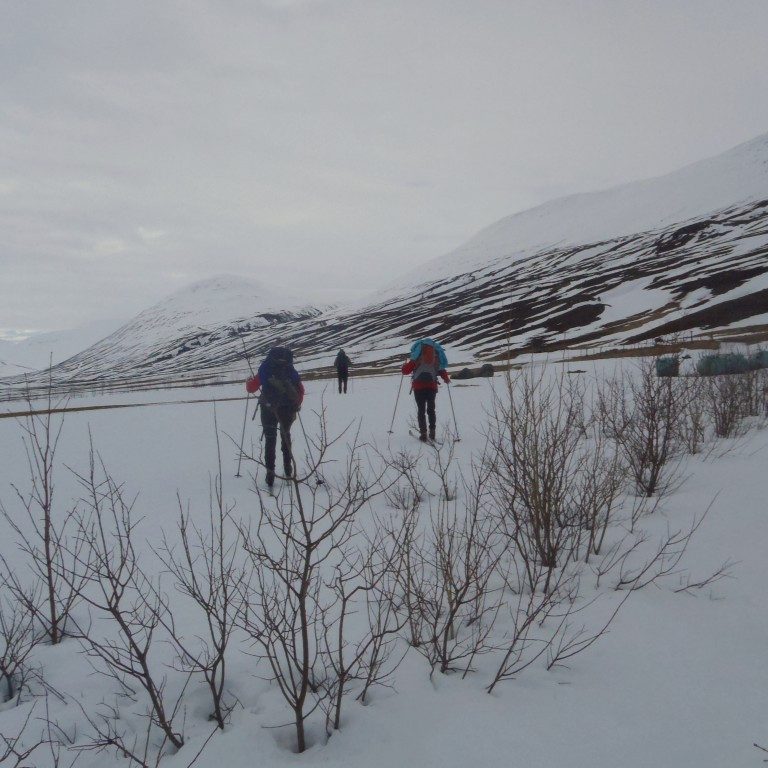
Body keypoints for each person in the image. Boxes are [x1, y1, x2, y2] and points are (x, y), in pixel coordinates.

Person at [246, 346, 304, 487]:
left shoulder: (266, 368)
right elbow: (300, 390)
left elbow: (251, 388)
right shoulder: (290, 369)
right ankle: (288, 469)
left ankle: (270, 474)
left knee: (270, 439)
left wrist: (248, 382)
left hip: (268, 408)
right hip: (287, 409)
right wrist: (296, 406)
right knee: (286, 435)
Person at [401, 338, 450, 441]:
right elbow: (441, 369)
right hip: (431, 386)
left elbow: (405, 371)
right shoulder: (435, 356)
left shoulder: (417, 355)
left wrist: (404, 366)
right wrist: (446, 379)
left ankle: (423, 434)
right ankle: (432, 432)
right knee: (431, 409)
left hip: (418, 387)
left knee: (421, 410)